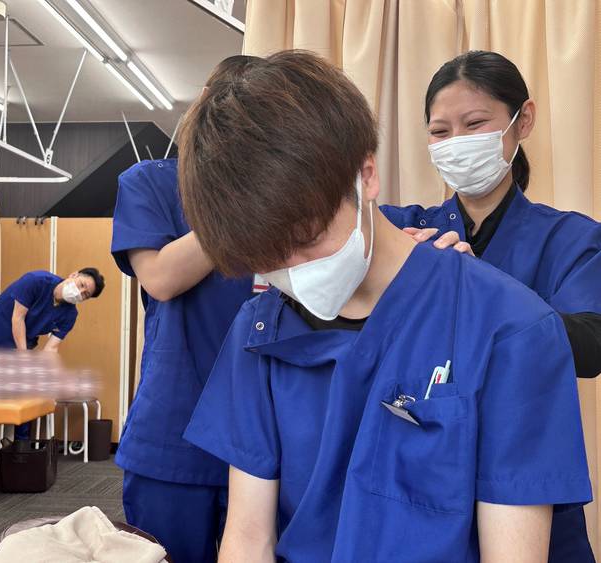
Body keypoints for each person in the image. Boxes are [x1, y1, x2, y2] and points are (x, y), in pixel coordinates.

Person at [178, 50, 592, 562]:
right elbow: (247, 538)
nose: (295, 271)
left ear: (366, 176)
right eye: (268, 259)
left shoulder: (512, 329)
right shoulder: (261, 328)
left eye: (306, 239)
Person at [380, 50, 601, 562]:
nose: (456, 142)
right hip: (417, 474)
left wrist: (473, 285)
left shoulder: (572, 239)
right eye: (440, 131)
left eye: (475, 124)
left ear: (523, 120)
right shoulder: (405, 229)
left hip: (526, 473)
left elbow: (591, 346)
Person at [109, 56, 257, 563]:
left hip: (263, 433)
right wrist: (243, 200)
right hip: (174, 430)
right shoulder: (150, 182)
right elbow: (162, 278)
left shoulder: (292, 196)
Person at [0, 268, 104, 438]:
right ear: (74, 275)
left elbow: (51, 349)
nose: (80, 292)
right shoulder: (36, 281)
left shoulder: (69, 315)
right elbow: (18, 318)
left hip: (19, 346)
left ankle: (20, 444)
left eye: (85, 295)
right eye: (81, 285)